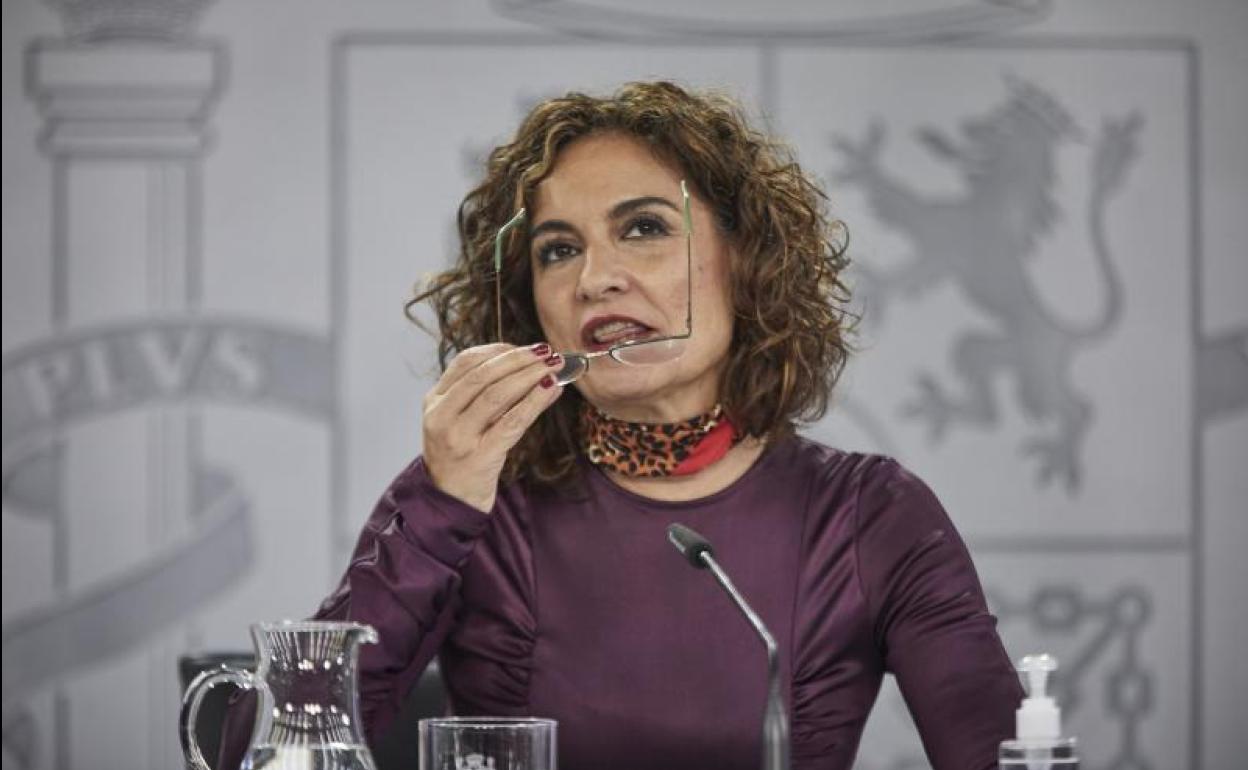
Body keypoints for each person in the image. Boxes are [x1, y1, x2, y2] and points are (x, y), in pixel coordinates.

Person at [222, 81, 1022, 770]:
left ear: (746, 261)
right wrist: (441, 504)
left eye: (644, 228)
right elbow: (254, 756)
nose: (594, 279)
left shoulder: (873, 515)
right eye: (557, 250)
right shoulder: (476, 502)